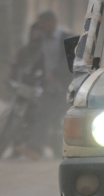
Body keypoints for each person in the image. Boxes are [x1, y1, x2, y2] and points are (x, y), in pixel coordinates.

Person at [19, 11, 73, 160]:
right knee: (43, 114)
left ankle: (58, 150)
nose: (41, 27)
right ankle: (36, 148)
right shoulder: (43, 40)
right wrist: (30, 71)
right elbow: (42, 59)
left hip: (66, 87)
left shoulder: (67, 38)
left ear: (51, 22)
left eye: (43, 24)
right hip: (50, 87)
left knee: (60, 118)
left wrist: (54, 73)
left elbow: (69, 61)